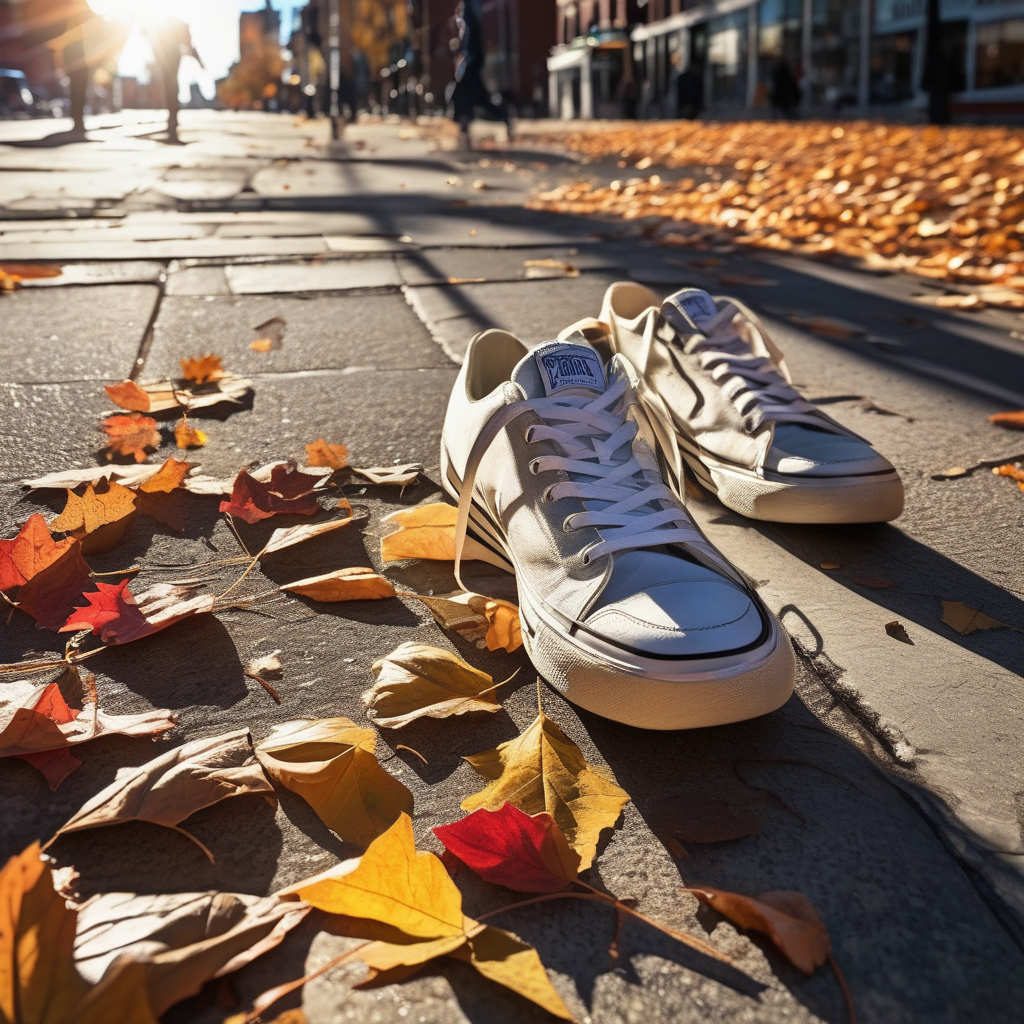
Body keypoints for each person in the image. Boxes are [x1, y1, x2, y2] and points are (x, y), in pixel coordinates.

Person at [449, 0, 512, 146]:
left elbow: (473, 32)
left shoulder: (471, 6)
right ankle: (465, 126)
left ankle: (465, 125)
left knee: (466, 94)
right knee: (475, 97)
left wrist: (467, 58)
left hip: (472, 60)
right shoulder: (469, 6)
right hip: (471, 59)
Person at [146, 17, 202, 143]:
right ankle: (172, 125)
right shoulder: (173, 27)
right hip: (168, 64)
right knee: (171, 93)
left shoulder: (168, 27)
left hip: (167, 64)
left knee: (171, 93)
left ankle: (172, 125)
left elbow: (189, 46)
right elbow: (189, 46)